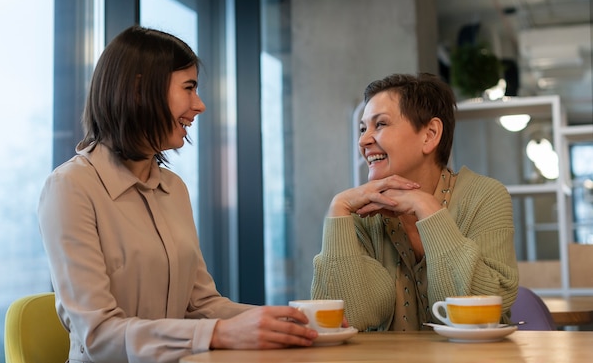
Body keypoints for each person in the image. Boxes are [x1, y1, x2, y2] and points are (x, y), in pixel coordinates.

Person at [38, 25, 318, 362]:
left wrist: (286, 323)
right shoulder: (70, 188)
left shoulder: (173, 188)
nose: (199, 105)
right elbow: (98, 336)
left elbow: (201, 305)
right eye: (189, 88)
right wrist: (219, 333)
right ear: (140, 90)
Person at [311, 73, 519, 331]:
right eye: (363, 128)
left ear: (429, 135)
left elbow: (480, 313)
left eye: (381, 124)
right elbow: (350, 317)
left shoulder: (485, 196)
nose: (363, 140)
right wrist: (337, 209)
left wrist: (429, 210)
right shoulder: (360, 214)